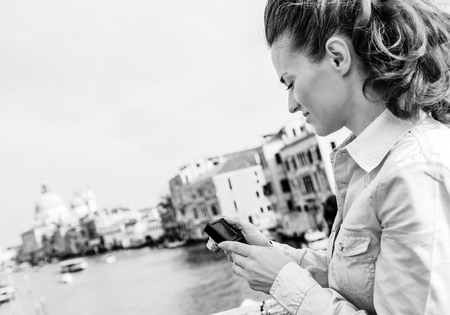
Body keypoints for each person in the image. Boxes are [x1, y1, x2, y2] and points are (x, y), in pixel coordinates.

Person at [218, 0, 450, 314]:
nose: (291, 104)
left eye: (290, 82)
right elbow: (361, 281)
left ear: (337, 57)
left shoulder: (414, 171)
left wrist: (281, 280)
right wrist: (272, 255)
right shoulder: (368, 163)